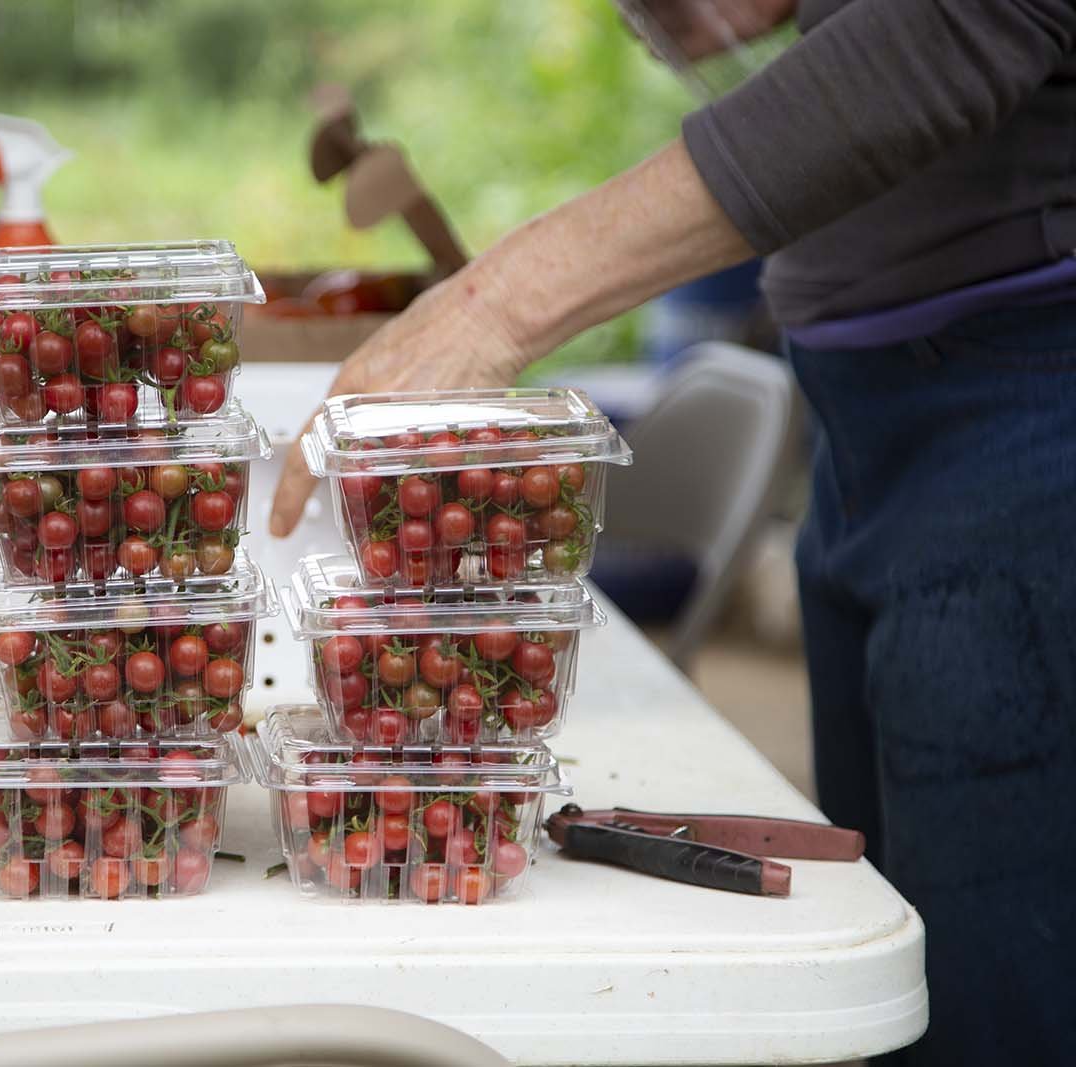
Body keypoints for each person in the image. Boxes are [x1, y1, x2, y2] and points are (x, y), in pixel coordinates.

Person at [269, 2, 1076, 1063]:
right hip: (866, 412)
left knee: (983, 1002)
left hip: (1024, 404)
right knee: (875, 960)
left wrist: (495, 306)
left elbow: (967, 20)